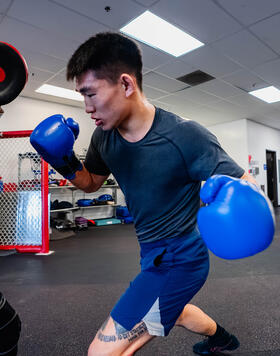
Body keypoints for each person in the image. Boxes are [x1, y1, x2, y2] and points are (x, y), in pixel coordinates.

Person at [31, 32, 263, 356]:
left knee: (101, 353)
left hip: (181, 259)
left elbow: (247, 185)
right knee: (175, 312)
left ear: (126, 84)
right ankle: (221, 338)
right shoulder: (103, 137)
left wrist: (234, 202)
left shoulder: (185, 136)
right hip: (149, 252)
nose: (86, 108)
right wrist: (63, 160)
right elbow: (90, 184)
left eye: (91, 95)